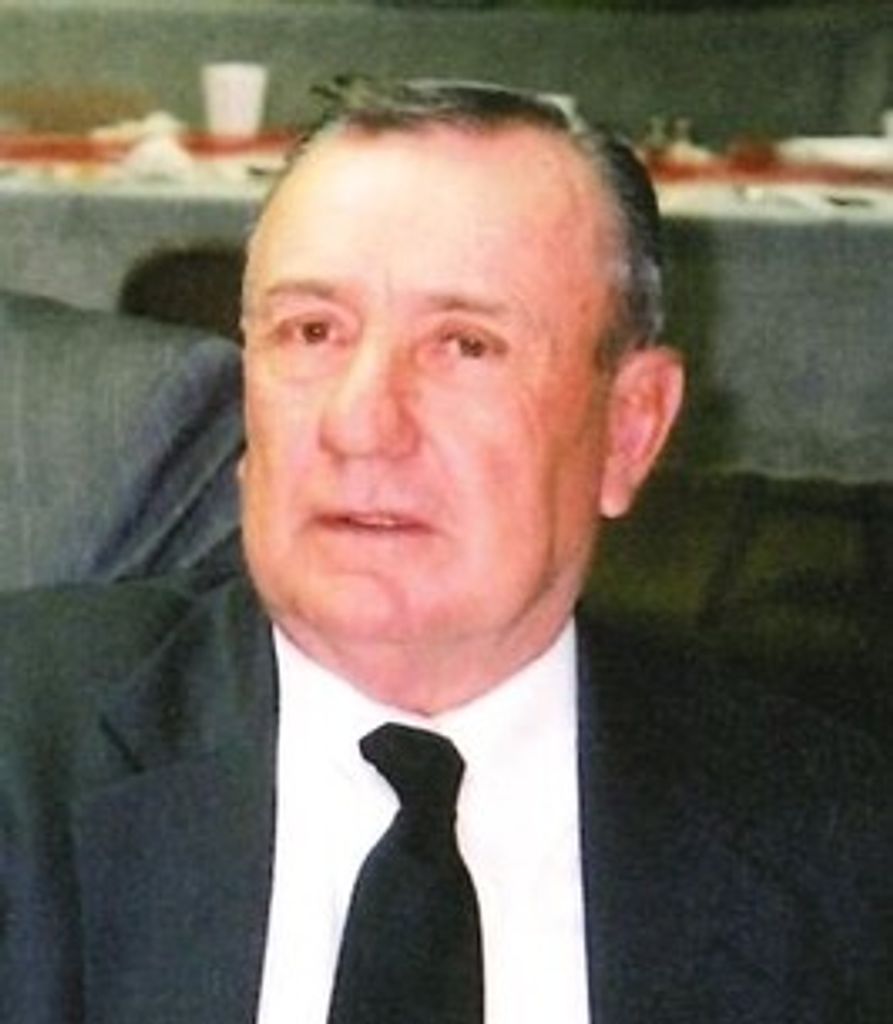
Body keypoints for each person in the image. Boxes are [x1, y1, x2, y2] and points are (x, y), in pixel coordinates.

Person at [0, 80, 889, 1024]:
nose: (359, 423)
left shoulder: (835, 845)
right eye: (312, 331)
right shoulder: (24, 751)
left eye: (464, 345)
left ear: (629, 430)